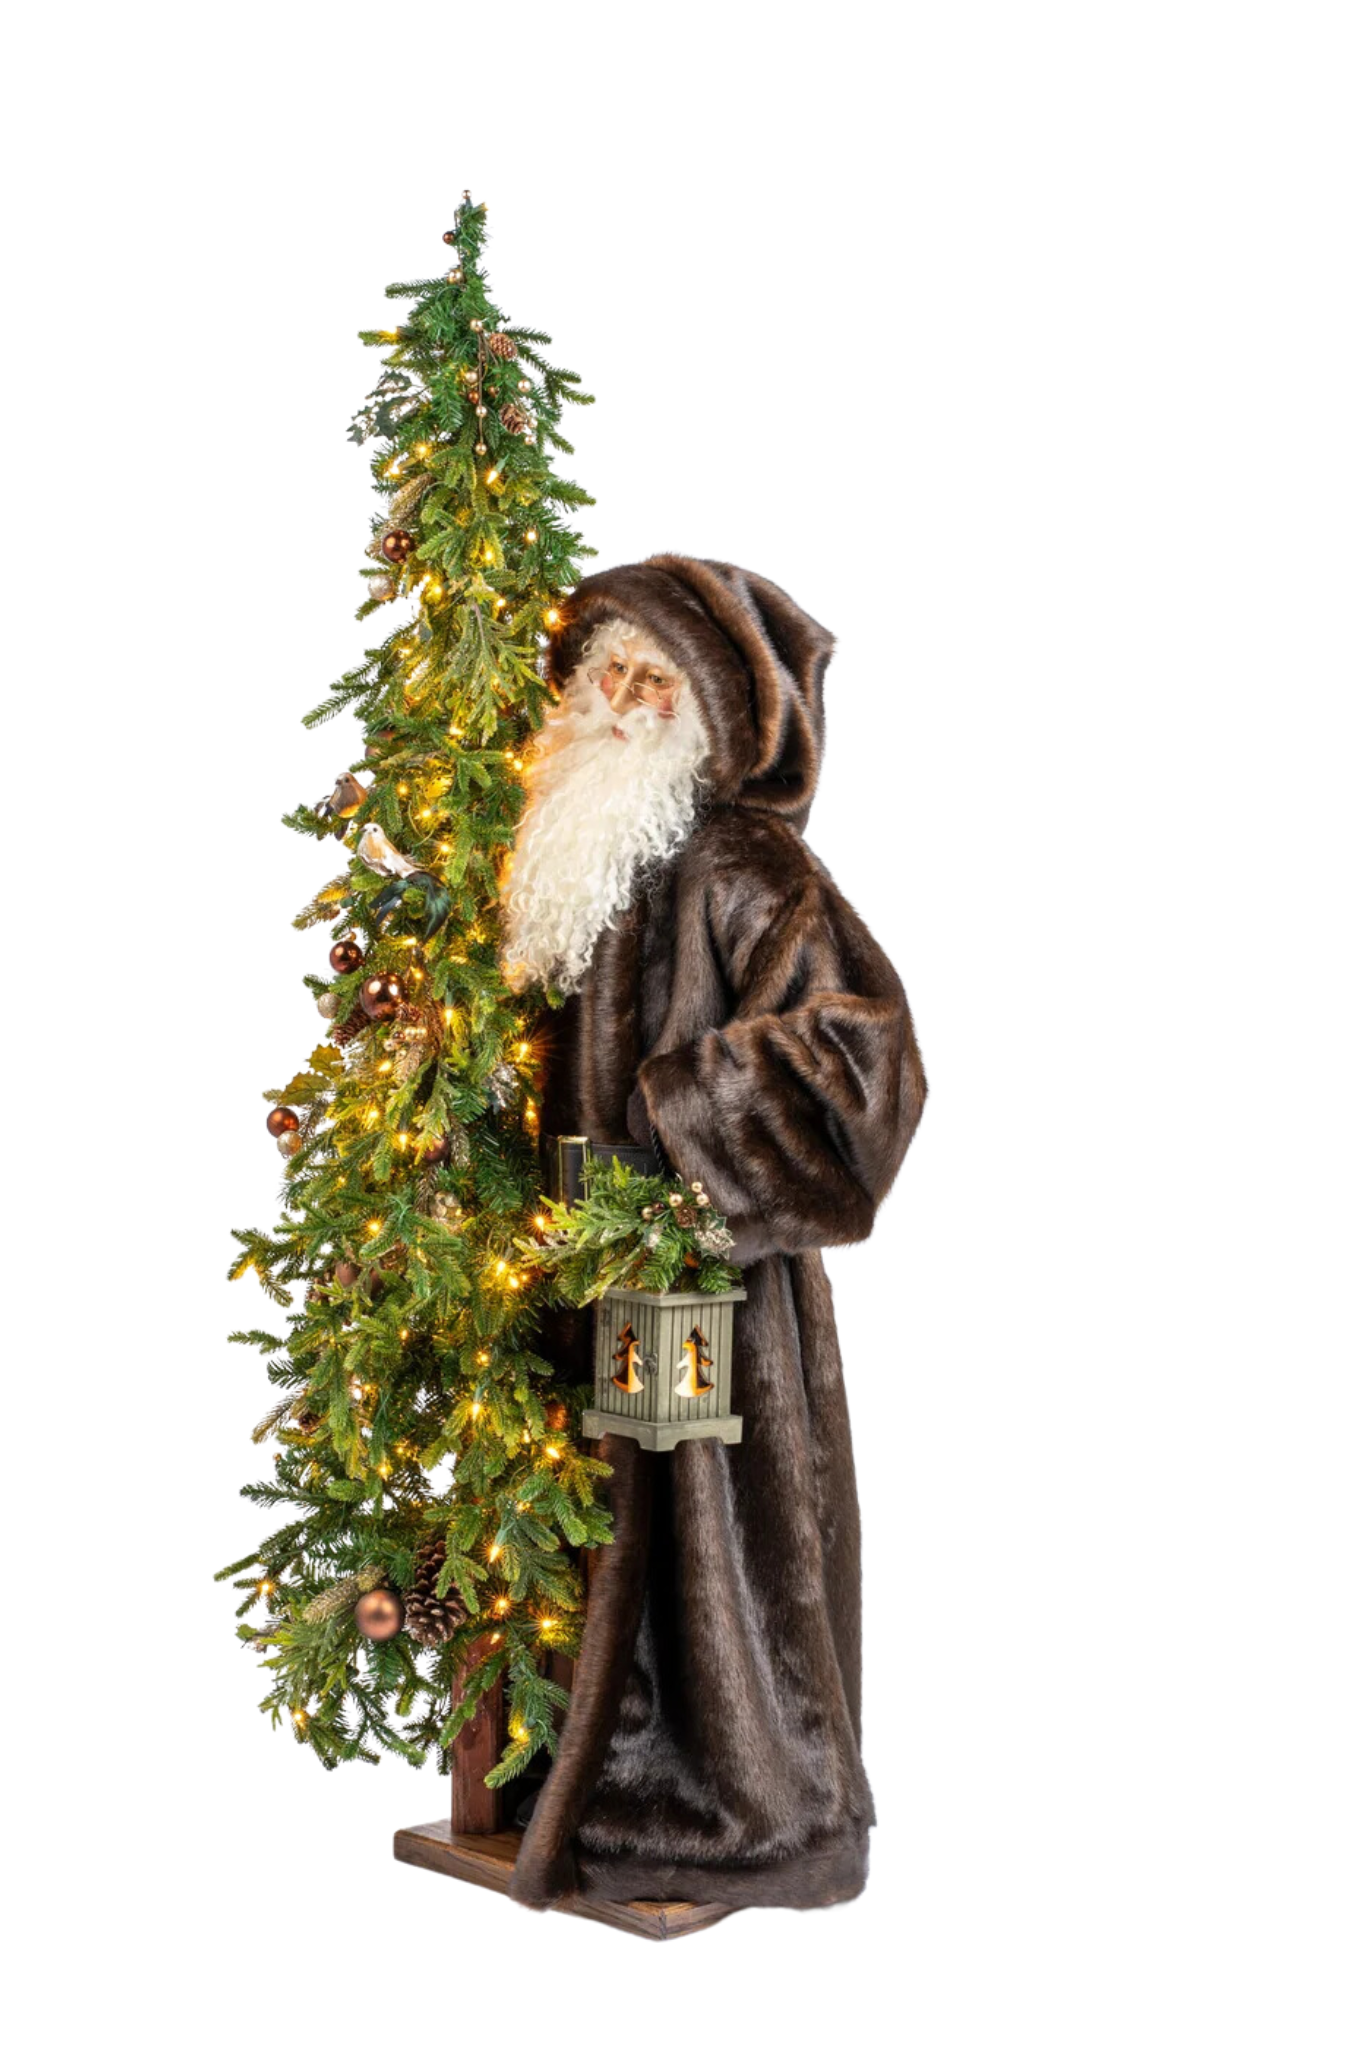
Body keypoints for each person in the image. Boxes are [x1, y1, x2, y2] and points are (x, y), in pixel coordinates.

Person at [501, 555, 927, 1911]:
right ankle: (570, 1776)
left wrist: (684, 1124)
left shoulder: (742, 863)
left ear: (707, 720)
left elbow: (868, 1057)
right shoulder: (563, 848)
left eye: (656, 684)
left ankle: (732, 1811)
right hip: (556, 1270)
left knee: (714, 1546)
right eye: (611, 674)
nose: (623, 705)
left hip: (702, 1285)